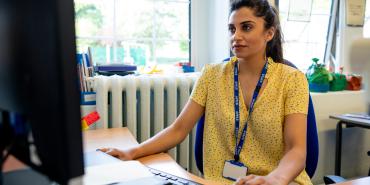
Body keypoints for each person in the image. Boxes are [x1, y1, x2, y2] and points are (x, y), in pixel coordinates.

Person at [99, 0, 311, 184]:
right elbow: (178, 129)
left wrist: (276, 179)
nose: (236, 36)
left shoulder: (292, 79)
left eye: (246, 27)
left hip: (276, 181)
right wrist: (133, 152)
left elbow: (296, 149)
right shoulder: (211, 74)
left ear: (269, 33)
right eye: (232, 29)